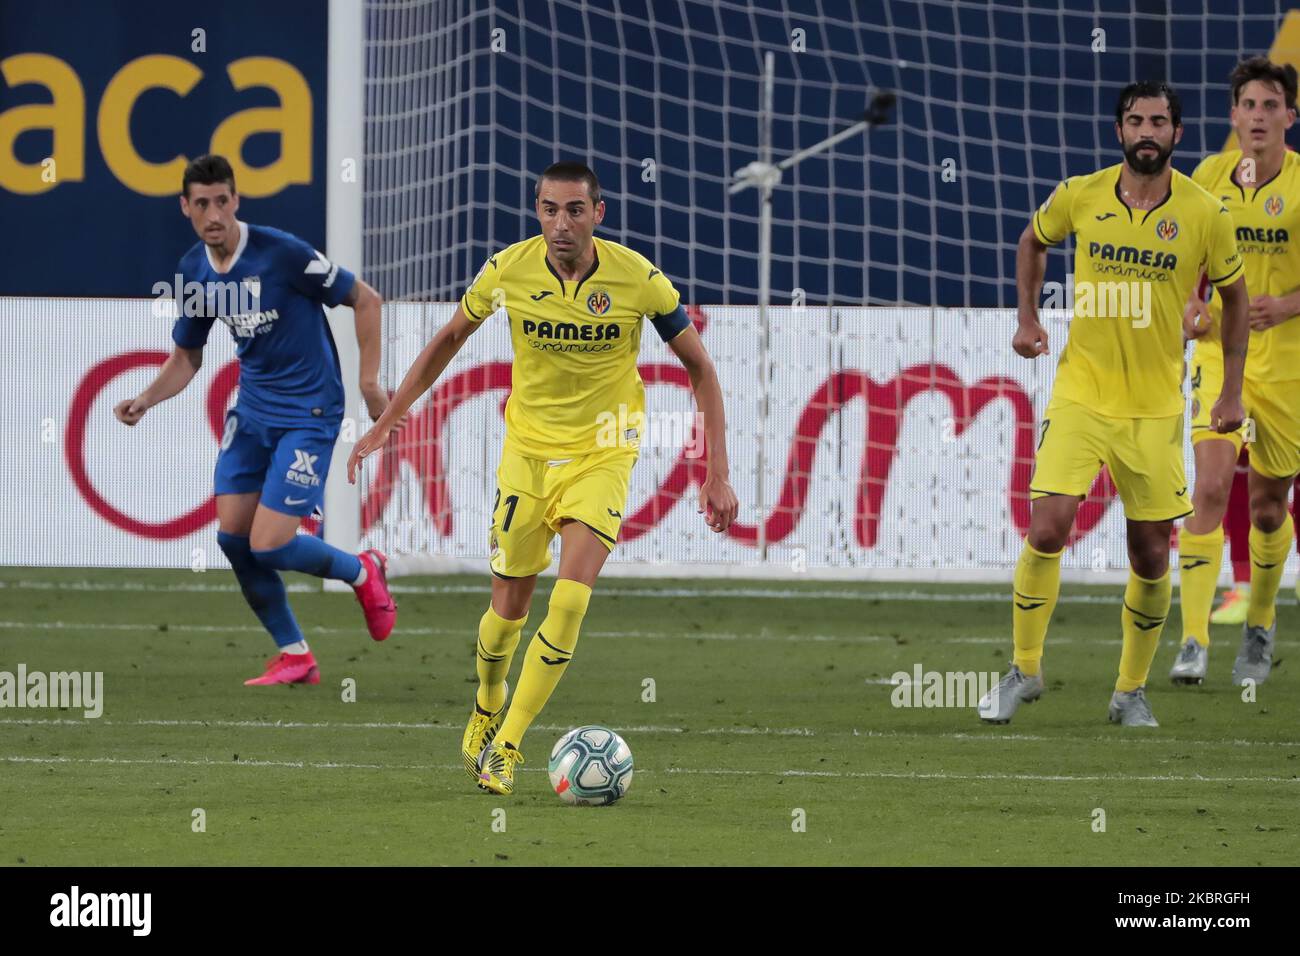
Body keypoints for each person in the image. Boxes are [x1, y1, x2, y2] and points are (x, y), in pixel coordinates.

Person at [349, 161, 738, 793]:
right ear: (538, 211)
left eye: (575, 210)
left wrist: (715, 471)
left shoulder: (638, 279)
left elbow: (700, 368)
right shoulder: (508, 271)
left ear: (598, 214)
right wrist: (387, 422)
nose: (561, 224)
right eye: (549, 209)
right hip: (527, 455)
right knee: (508, 610)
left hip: (604, 453)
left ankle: (507, 744)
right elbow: (450, 339)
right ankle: (487, 703)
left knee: (571, 598)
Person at [980, 82, 1247, 727]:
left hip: (1155, 408)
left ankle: (1129, 691)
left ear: (1178, 134)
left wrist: (1231, 389)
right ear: (1119, 131)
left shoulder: (1206, 213)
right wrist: (1026, 321)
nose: (1146, 130)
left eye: (1159, 120)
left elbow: (1236, 299)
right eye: (1135, 120)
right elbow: (1031, 242)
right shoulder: (1081, 193)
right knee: (1047, 526)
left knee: (1151, 553)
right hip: (1081, 392)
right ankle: (1024, 671)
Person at [115, 154, 400, 686]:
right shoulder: (193, 271)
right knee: (233, 539)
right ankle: (296, 654)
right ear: (186, 208)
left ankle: (363, 570)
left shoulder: (281, 253)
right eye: (202, 203)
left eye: (222, 200)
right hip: (252, 411)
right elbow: (187, 357)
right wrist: (146, 399)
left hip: (310, 411)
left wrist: (369, 382)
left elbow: (365, 299)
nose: (214, 212)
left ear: (235, 200)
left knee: (269, 542)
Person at [1175, 57, 1300, 686]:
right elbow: (1188, 264)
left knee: (1271, 506)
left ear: (1290, 116)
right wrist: (1192, 306)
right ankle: (1193, 639)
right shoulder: (1208, 177)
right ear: (1233, 116)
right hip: (1222, 359)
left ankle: (1260, 618)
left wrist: (1288, 304)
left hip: (1288, 367)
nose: (1258, 116)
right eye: (1248, 106)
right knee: (1211, 487)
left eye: (1270, 105)